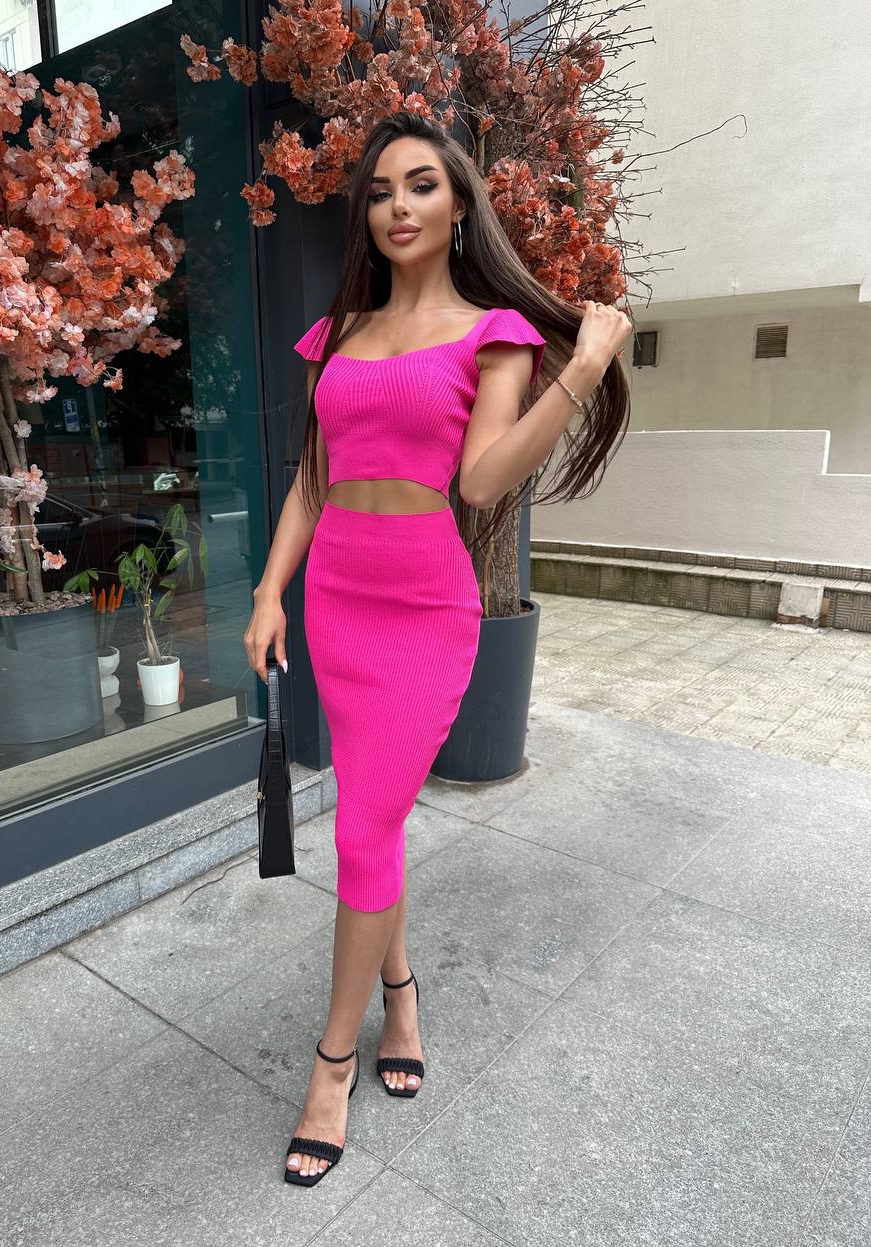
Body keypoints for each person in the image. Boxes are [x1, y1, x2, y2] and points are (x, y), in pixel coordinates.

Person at [243, 110, 631, 1187]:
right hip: (338, 598)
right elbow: (313, 478)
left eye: (420, 186)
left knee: (364, 826)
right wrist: (271, 589)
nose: (398, 206)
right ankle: (400, 992)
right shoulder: (339, 332)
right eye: (378, 191)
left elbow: (478, 481)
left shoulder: (494, 330)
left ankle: (330, 1065)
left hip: (422, 605)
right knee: (373, 815)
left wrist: (585, 368)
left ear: (459, 204)